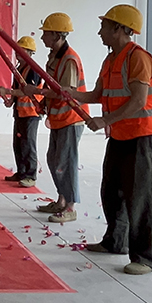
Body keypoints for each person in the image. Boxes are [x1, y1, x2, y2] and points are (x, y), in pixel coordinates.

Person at [64, 5, 152, 275]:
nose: (100, 32)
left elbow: (139, 101)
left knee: (139, 196)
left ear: (119, 28)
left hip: (141, 135)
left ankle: (145, 257)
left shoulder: (138, 58)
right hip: (120, 134)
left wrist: (105, 120)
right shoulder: (110, 60)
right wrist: (70, 93)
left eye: (104, 27)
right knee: (111, 191)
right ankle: (115, 241)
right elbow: (97, 94)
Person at [25, 12, 89, 223]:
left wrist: (36, 91)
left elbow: (66, 92)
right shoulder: (54, 57)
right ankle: (61, 200)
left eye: (46, 33)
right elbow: (52, 87)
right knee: (54, 160)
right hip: (59, 118)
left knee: (65, 162)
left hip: (71, 118)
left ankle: (70, 206)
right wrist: (44, 102)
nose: (42, 37)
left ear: (57, 35)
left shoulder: (69, 59)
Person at [0, 36, 43, 188]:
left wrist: (7, 91)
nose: (18, 53)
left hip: (31, 113)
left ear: (29, 52)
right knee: (18, 144)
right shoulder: (18, 69)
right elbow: (16, 90)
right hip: (20, 112)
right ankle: (21, 172)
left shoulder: (33, 70)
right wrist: (10, 100)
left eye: (21, 50)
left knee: (28, 145)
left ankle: (30, 175)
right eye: (17, 50)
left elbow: (27, 91)